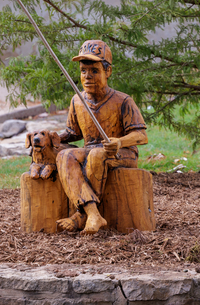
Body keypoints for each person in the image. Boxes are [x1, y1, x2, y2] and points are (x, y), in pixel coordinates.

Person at [48, 40, 148, 235]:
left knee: (95, 155)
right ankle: (93, 214)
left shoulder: (123, 100)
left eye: (94, 71)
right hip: (90, 151)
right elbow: (74, 132)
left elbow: (141, 135)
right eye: (83, 71)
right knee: (64, 156)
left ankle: (81, 216)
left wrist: (119, 142)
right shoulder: (77, 100)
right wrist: (56, 138)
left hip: (121, 153)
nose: (87, 76)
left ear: (108, 71)